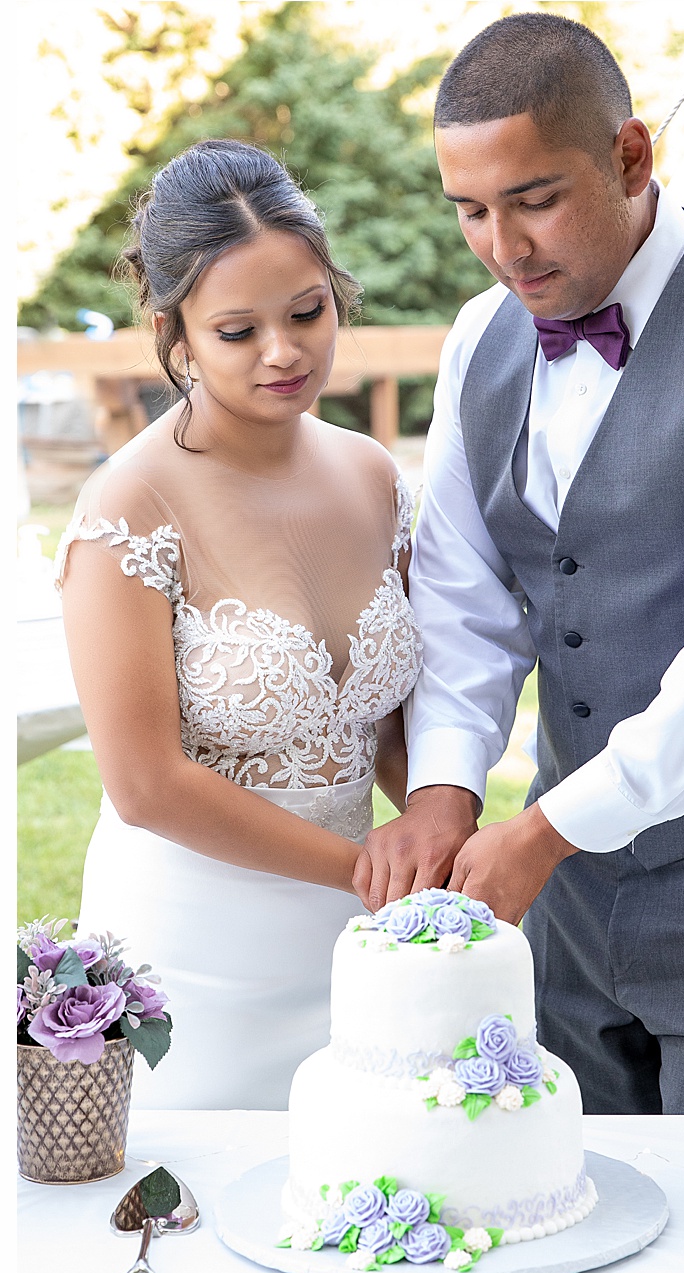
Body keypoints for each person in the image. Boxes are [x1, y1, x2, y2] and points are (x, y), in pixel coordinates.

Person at [361, 13, 684, 1114]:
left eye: (536, 199)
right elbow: (465, 593)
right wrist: (448, 791)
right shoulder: (480, 337)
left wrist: (545, 829)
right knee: (566, 1197)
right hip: (566, 883)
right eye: (471, 211)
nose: (505, 247)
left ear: (632, 156)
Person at [57, 140, 421, 1109]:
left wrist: (431, 824)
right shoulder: (129, 506)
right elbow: (145, 784)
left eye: (307, 311)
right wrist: (366, 869)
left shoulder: (374, 476)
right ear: (173, 330)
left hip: (359, 952)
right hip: (195, 961)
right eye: (237, 330)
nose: (284, 351)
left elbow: (385, 727)